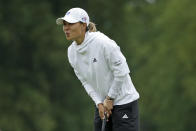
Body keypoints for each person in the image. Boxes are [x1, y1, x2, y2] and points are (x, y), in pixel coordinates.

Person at [56, 7, 140, 131]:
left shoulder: (103, 43)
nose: (66, 28)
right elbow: (85, 81)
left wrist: (110, 98)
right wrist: (99, 103)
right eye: (64, 24)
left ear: (83, 25)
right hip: (103, 105)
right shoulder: (71, 52)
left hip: (124, 102)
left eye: (71, 24)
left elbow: (122, 71)